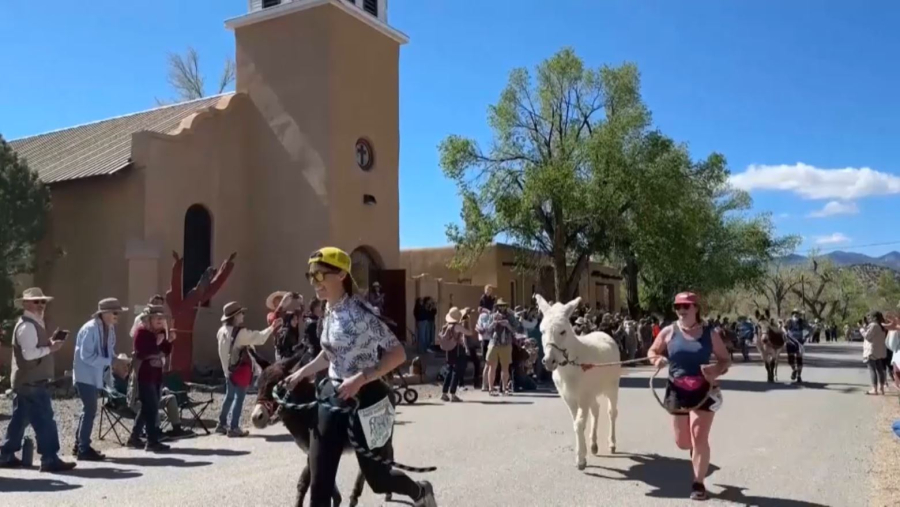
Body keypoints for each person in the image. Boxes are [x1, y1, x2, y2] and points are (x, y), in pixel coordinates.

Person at [284, 247, 437, 507]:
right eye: (311, 276)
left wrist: (361, 378)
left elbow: (397, 353)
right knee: (319, 484)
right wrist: (302, 371)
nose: (314, 282)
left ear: (341, 274)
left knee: (378, 480)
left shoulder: (362, 314)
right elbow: (331, 353)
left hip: (367, 400)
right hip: (332, 398)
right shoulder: (328, 311)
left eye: (320, 275)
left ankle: (420, 492)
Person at [646, 292, 730, 501]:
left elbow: (725, 359)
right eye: (678, 307)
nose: (682, 310)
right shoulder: (669, 331)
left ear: (696, 308)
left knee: (700, 437)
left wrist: (716, 369)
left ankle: (698, 483)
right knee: (684, 442)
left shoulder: (710, 333)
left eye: (686, 306)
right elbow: (653, 351)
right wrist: (656, 361)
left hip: (704, 390)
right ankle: (693, 449)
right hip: (677, 391)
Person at [0, 288, 76, 472]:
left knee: (20, 420)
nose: (41, 305)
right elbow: (28, 355)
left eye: (42, 302)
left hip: (27, 381)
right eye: (36, 302)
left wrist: (49, 344)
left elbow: (32, 350)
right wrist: (50, 348)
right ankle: (49, 459)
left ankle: (5, 455)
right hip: (32, 382)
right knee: (45, 420)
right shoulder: (27, 326)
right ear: (26, 304)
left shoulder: (32, 324)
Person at [216, 300, 284, 437]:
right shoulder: (240, 333)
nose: (243, 315)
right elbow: (259, 338)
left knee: (229, 397)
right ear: (235, 316)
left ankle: (221, 424)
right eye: (241, 313)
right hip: (239, 371)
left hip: (227, 370)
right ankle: (234, 427)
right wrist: (272, 328)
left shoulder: (221, 331)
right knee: (239, 398)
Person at [72, 297, 127, 461]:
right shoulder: (89, 329)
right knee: (90, 410)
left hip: (94, 376)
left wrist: (118, 360)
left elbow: (108, 353)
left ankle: (79, 445)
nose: (117, 315)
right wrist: (111, 361)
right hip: (84, 375)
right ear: (104, 313)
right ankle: (83, 448)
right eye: (115, 312)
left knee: (87, 410)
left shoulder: (109, 329)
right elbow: (86, 356)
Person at [110, 354, 194, 443]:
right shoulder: (115, 380)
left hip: (142, 397)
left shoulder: (129, 376)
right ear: (115, 367)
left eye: (126, 364)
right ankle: (155, 431)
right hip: (130, 403)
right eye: (122, 365)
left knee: (170, 398)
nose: (126, 367)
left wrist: (160, 391)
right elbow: (115, 394)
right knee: (151, 402)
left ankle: (177, 428)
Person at [130, 305, 176, 451]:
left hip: (156, 375)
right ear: (148, 319)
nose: (160, 320)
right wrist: (157, 345)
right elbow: (142, 351)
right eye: (157, 317)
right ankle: (151, 441)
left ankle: (134, 437)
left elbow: (166, 350)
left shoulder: (160, 332)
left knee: (148, 407)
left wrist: (167, 341)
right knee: (151, 407)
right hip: (145, 375)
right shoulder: (141, 332)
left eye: (161, 318)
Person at [438, 307, 472, 402]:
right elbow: (469, 333)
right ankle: (453, 394)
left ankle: (444, 393)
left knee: (449, 370)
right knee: (456, 372)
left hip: (448, 350)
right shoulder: (457, 326)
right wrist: (469, 322)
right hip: (457, 350)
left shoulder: (446, 325)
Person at [485, 298, 516, 396]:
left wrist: (507, 325)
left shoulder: (510, 317)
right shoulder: (492, 316)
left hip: (506, 344)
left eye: (504, 305)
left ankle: (505, 388)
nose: (502, 308)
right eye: (500, 306)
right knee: (492, 367)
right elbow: (486, 330)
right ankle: (491, 389)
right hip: (494, 343)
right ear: (497, 306)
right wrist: (493, 324)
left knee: (505, 367)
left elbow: (515, 331)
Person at [863, 311, 888, 395]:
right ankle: (881, 388)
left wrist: (862, 329)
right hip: (879, 350)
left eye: (870, 317)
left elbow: (867, 336)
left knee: (872, 369)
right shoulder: (882, 326)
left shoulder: (873, 325)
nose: (869, 318)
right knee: (880, 370)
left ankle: (874, 389)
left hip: (871, 350)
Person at [783, 309, 807, 383]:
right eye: (794, 313)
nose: (795, 314)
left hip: (799, 342)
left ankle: (799, 376)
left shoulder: (802, 322)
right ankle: (794, 370)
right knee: (790, 360)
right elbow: (784, 328)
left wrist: (805, 337)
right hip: (790, 342)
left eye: (797, 313)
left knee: (799, 360)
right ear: (792, 314)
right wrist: (785, 332)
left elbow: (807, 329)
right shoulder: (789, 321)